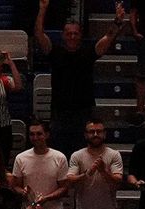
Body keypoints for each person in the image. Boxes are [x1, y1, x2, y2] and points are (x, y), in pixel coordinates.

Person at [35, 0, 121, 151]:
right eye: (69, 34)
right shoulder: (54, 52)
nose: (72, 36)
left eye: (75, 33)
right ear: (63, 35)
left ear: (80, 35)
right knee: (59, 152)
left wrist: (117, 22)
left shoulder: (88, 53)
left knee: (83, 152)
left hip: (83, 111)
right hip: (60, 111)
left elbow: (108, 37)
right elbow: (38, 34)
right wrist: (42, 9)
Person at [10, 120, 69, 209]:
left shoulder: (59, 158)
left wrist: (47, 198)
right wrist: (23, 192)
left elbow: (64, 188)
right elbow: (15, 185)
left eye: (39, 134)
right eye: (32, 134)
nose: (35, 137)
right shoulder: (21, 158)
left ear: (47, 135)